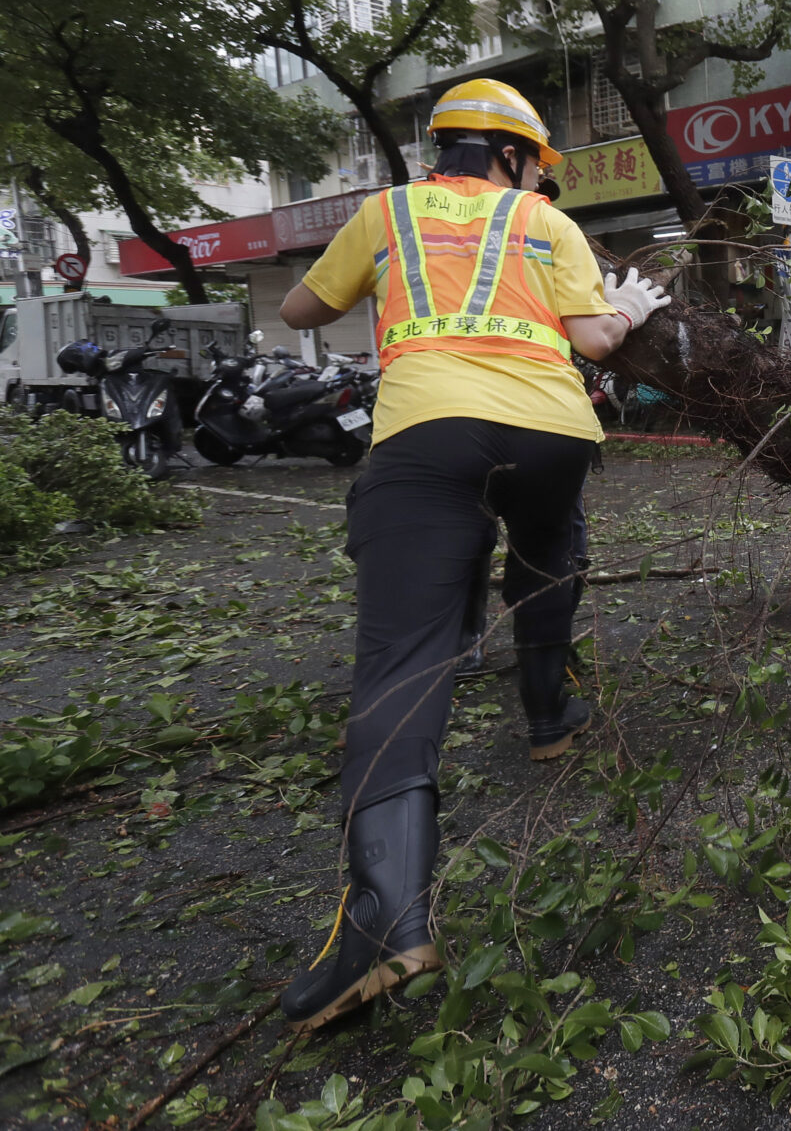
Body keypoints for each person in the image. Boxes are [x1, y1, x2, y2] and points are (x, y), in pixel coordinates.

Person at [272, 78, 672, 1031]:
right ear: (511, 155)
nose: (540, 176)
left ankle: (387, 918)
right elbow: (595, 340)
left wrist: (365, 281)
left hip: (428, 434)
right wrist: (627, 309)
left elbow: (297, 310)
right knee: (546, 554)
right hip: (551, 432)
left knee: (405, 661)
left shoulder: (387, 215)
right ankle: (549, 714)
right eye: (537, 162)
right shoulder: (547, 224)